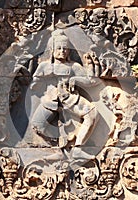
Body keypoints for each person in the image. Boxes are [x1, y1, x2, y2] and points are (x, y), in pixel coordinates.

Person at [30, 30, 99, 160]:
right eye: (59, 48)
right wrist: (39, 79)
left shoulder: (73, 66)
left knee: (93, 114)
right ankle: (58, 147)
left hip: (70, 98)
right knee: (37, 125)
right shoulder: (45, 66)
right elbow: (35, 85)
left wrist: (90, 66)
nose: (62, 51)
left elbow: (90, 81)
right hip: (50, 100)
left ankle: (78, 147)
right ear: (52, 49)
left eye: (65, 48)